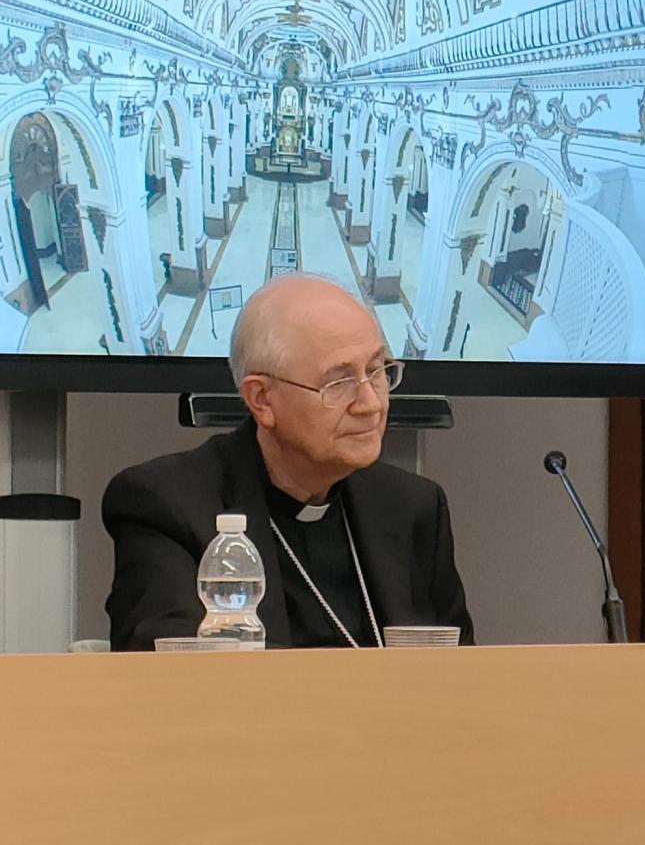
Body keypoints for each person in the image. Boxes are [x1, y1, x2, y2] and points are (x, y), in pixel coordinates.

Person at [103, 273, 471, 650]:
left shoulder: (413, 506)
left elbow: (464, 676)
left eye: (377, 372)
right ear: (262, 399)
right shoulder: (167, 506)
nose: (372, 404)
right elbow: (170, 677)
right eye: (338, 382)